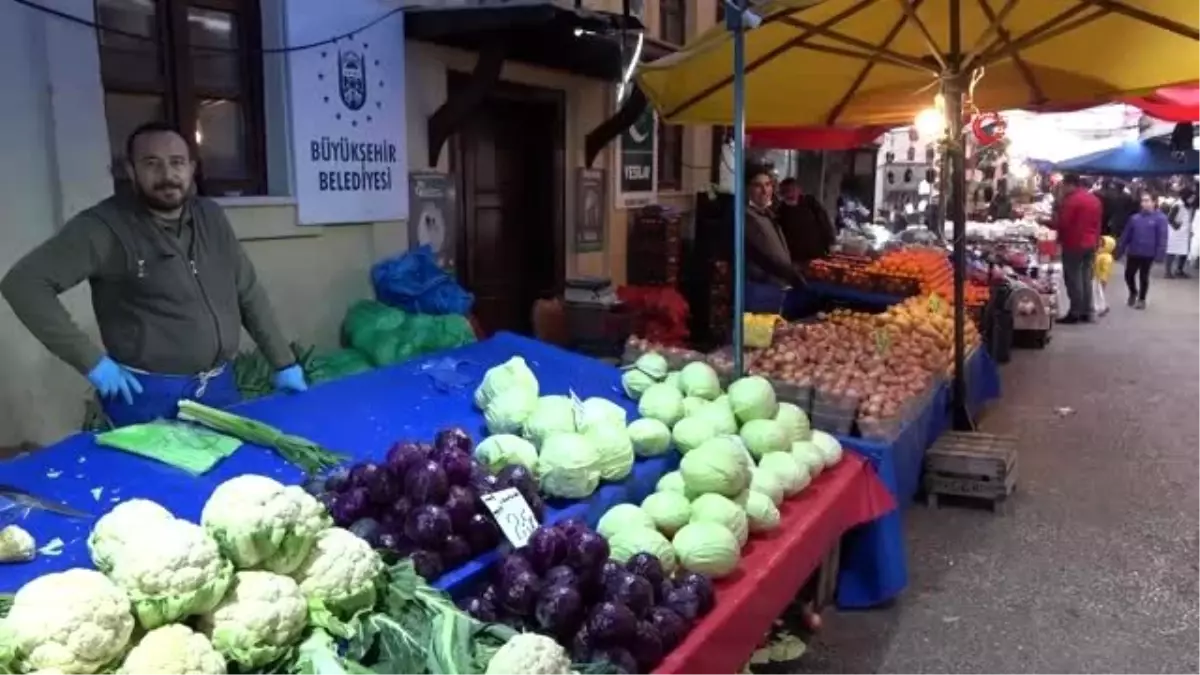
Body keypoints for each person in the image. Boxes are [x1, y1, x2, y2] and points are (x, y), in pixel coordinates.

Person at [0, 122, 306, 427]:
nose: (167, 175)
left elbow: (247, 291)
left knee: (229, 474)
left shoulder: (210, 217)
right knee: (153, 476)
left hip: (219, 388)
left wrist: (283, 361)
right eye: (151, 163)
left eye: (177, 163)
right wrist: (91, 362)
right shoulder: (103, 227)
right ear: (131, 170)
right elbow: (24, 284)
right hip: (147, 398)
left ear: (191, 168)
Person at [744, 169, 804, 310]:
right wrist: (790, 274)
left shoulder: (768, 214)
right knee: (760, 330)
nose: (765, 191)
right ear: (748, 189)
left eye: (768, 185)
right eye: (758, 186)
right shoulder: (747, 217)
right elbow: (761, 255)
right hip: (760, 288)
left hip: (777, 286)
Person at [1052, 174, 1103, 324]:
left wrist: (1046, 223)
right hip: (1090, 243)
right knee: (1086, 277)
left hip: (1073, 243)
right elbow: (1098, 223)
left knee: (1073, 278)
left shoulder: (1071, 200)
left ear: (1069, 184)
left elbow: (1063, 223)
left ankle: (1075, 312)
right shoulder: (1094, 199)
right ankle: (1088, 311)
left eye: (1063, 186)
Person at [1115, 192, 1169, 310]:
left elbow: (1162, 237)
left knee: (1144, 276)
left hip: (1148, 253)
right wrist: (1119, 249)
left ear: (1154, 202)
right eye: (1142, 201)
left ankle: (1142, 299)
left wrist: (1160, 254)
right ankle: (1133, 291)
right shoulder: (1134, 218)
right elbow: (1126, 235)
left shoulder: (1161, 218)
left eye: (1147, 200)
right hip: (1134, 251)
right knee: (1128, 274)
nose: (1144, 203)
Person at [775, 177, 835, 263]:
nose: (790, 194)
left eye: (792, 190)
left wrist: (830, 242)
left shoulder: (810, 202)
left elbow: (824, 222)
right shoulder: (780, 211)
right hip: (795, 257)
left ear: (799, 190)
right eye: (786, 191)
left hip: (817, 252)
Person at [1165, 189, 1195, 278]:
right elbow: (1170, 218)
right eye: (1191, 197)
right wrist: (1176, 226)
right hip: (1175, 233)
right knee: (1172, 251)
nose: (1192, 199)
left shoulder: (1188, 205)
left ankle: (1179, 270)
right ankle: (1168, 272)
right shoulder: (1178, 205)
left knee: (1184, 252)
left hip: (1185, 232)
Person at [1093, 235, 1115, 317]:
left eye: (1102, 243)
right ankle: (1101, 306)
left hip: (1099, 277)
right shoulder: (1098, 254)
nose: (1099, 244)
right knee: (1096, 292)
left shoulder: (1106, 257)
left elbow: (1106, 270)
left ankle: (1101, 307)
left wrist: (1103, 279)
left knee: (1098, 292)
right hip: (1095, 276)